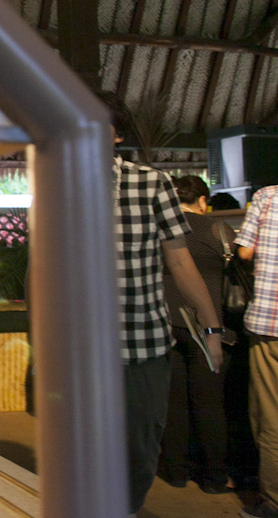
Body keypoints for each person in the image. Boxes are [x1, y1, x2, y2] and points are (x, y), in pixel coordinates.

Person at [100, 93, 224, 516]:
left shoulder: (150, 183)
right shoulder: (53, 182)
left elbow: (181, 260)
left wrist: (211, 330)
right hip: (80, 349)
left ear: (117, 135)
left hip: (143, 346)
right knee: (82, 449)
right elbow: (41, 268)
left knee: (139, 448)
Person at [158, 175, 233, 493]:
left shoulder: (162, 231)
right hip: (209, 327)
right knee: (210, 404)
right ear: (203, 201)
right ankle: (214, 478)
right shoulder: (219, 230)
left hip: (168, 324)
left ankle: (176, 471)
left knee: (174, 403)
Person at [234, 185, 278, 518]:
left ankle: (273, 503)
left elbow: (245, 253)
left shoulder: (268, 197)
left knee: (270, 417)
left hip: (270, 325)